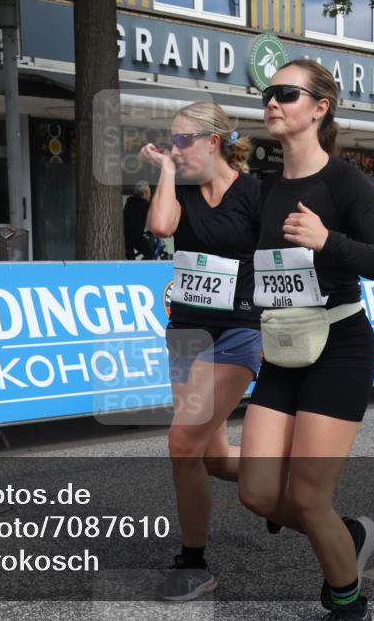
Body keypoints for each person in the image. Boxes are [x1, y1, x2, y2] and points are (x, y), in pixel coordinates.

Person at [237, 60, 374, 620]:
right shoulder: (264, 191)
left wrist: (327, 239)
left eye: (287, 93)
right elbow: (260, 270)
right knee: (258, 492)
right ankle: (347, 534)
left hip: (339, 348)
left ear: (319, 108)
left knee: (310, 497)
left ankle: (347, 601)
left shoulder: (345, 182)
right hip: (285, 348)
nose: (273, 102)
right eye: (269, 93)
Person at [139, 101, 262, 601]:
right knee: (209, 458)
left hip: (237, 334)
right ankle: (306, 505)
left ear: (214, 142)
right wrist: (168, 170)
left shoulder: (255, 193)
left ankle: (193, 563)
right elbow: (162, 227)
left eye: (183, 140)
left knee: (182, 442)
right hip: (187, 333)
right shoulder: (182, 189)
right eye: (172, 140)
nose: (175, 147)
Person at [123, 180, 155, 259]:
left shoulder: (130, 202)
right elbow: (155, 217)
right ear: (144, 194)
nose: (150, 195)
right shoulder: (144, 205)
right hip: (135, 237)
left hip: (125, 237)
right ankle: (142, 271)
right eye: (149, 193)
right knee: (150, 253)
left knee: (131, 259)